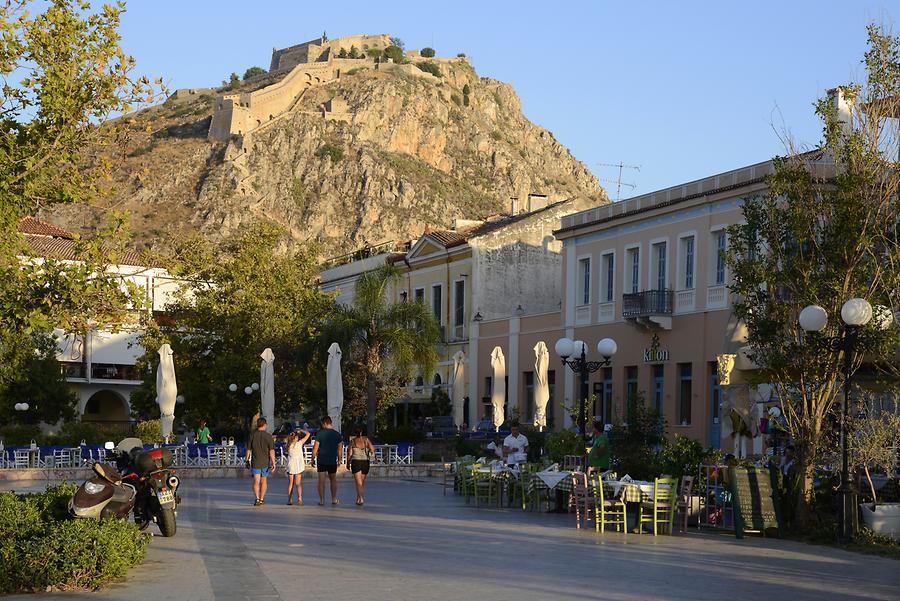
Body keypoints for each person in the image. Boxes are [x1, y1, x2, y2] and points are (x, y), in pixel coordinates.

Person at [245, 417, 276, 506]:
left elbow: (248, 450)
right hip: (265, 463)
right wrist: (273, 462)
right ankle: (262, 499)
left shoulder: (252, 435)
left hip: (255, 462)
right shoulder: (268, 436)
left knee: (256, 481)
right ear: (265, 425)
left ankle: (257, 499)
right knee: (264, 481)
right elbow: (272, 451)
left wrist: (246, 460)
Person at [312, 416, 343, 506]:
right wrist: (340, 459)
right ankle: (334, 499)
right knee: (333, 479)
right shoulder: (337, 434)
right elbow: (340, 449)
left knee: (321, 481)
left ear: (325, 423)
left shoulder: (319, 433)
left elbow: (315, 448)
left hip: (321, 460)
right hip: (332, 460)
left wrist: (312, 459)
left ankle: (322, 500)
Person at [348, 425, 376, 506]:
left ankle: (361, 498)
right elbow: (372, 449)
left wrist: (348, 463)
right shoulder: (366, 440)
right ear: (361, 432)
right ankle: (358, 498)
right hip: (365, 462)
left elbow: (349, 454)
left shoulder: (352, 441)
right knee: (361, 482)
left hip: (356, 462)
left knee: (358, 483)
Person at [285, 428, 311, 505]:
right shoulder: (299, 443)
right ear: (296, 438)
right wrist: (300, 429)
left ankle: (290, 500)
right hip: (298, 466)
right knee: (298, 484)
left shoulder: (288, 445)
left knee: (290, 484)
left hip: (291, 465)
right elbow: (308, 434)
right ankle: (300, 499)